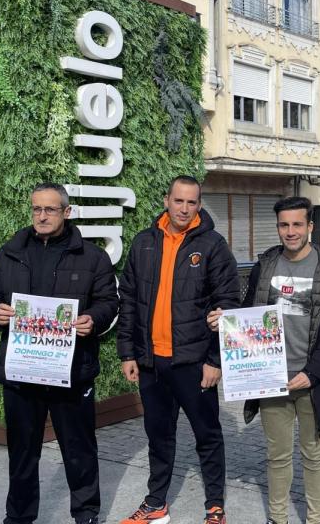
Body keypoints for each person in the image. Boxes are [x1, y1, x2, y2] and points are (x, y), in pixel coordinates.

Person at [0, 182, 119, 524]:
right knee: (23, 454)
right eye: (36, 209)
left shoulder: (92, 257)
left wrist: (93, 320)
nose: (41, 216)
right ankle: (19, 517)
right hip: (22, 374)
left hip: (72, 372)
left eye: (50, 209)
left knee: (79, 451)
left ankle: (85, 515)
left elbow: (109, 303)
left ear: (66, 212)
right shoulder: (10, 252)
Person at [208, 196, 320, 524]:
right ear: (278, 227)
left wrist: (312, 374)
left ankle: (316, 519)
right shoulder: (265, 266)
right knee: (277, 456)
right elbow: (249, 313)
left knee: (314, 456)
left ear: (310, 227)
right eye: (284, 225)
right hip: (271, 377)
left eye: (297, 224)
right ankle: (278, 518)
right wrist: (226, 319)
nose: (290, 231)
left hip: (313, 381)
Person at [117, 175, 240, 524]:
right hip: (152, 362)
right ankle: (156, 504)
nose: (185, 208)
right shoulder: (143, 243)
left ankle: (215, 506)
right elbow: (128, 300)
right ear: (166, 200)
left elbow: (227, 305)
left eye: (192, 202)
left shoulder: (214, 245)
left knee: (207, 435)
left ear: (199, 205)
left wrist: (215, 360)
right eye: (179, 201)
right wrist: (128, 353)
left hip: (194, 362)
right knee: (158, 435)